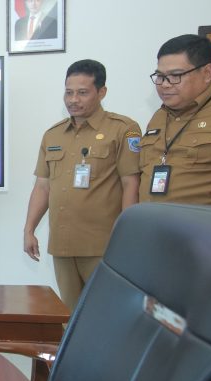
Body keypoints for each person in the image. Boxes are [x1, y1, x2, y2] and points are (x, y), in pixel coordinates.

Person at [23, 60, 141, 311]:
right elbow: (42, 186)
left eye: (82, 92)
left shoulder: (123, 129)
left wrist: (128, 236)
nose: (73, 100)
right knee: (70, 314)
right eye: (68, 92)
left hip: (104, 245)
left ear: (102, 92)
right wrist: (29, 229)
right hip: (63, 245)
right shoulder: (53, 135)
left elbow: (131, 183)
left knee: (106, 313)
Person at [139, 34, 211, 207]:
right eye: (160, 76)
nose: (165, 84)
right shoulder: (159, 116)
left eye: (175, 75)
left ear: (207, 73)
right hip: (154, 222)